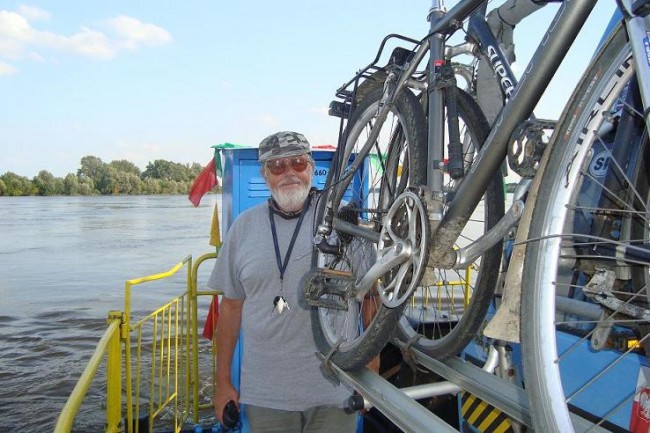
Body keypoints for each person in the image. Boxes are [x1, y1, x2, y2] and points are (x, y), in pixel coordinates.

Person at [208, 131, 357, 433]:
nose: (289, 172)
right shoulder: (243, 227)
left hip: (336, 389)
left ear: (311, 168)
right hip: (266, 395)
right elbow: (231, 308)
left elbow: (372, 298)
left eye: (298, 163)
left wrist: (372, 368)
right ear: (265, 175)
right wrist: (222, 382)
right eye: (277, 166)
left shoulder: (343, 222)